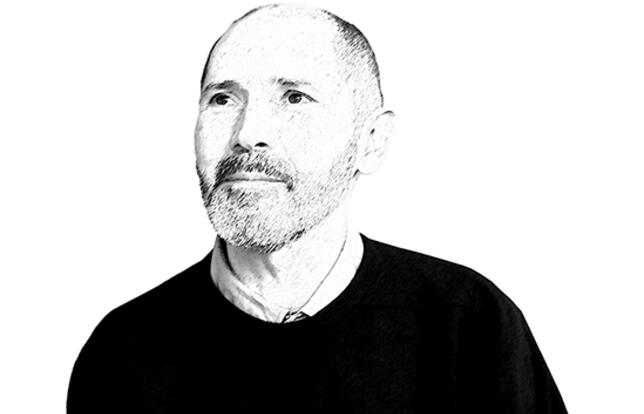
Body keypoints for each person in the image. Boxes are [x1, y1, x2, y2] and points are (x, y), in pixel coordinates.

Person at [67, 4, 568, 413]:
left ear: (371, 141)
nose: (248, 133)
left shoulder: (469, 325)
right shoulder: (122, 352)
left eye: (295, 97)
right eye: (222, 99)